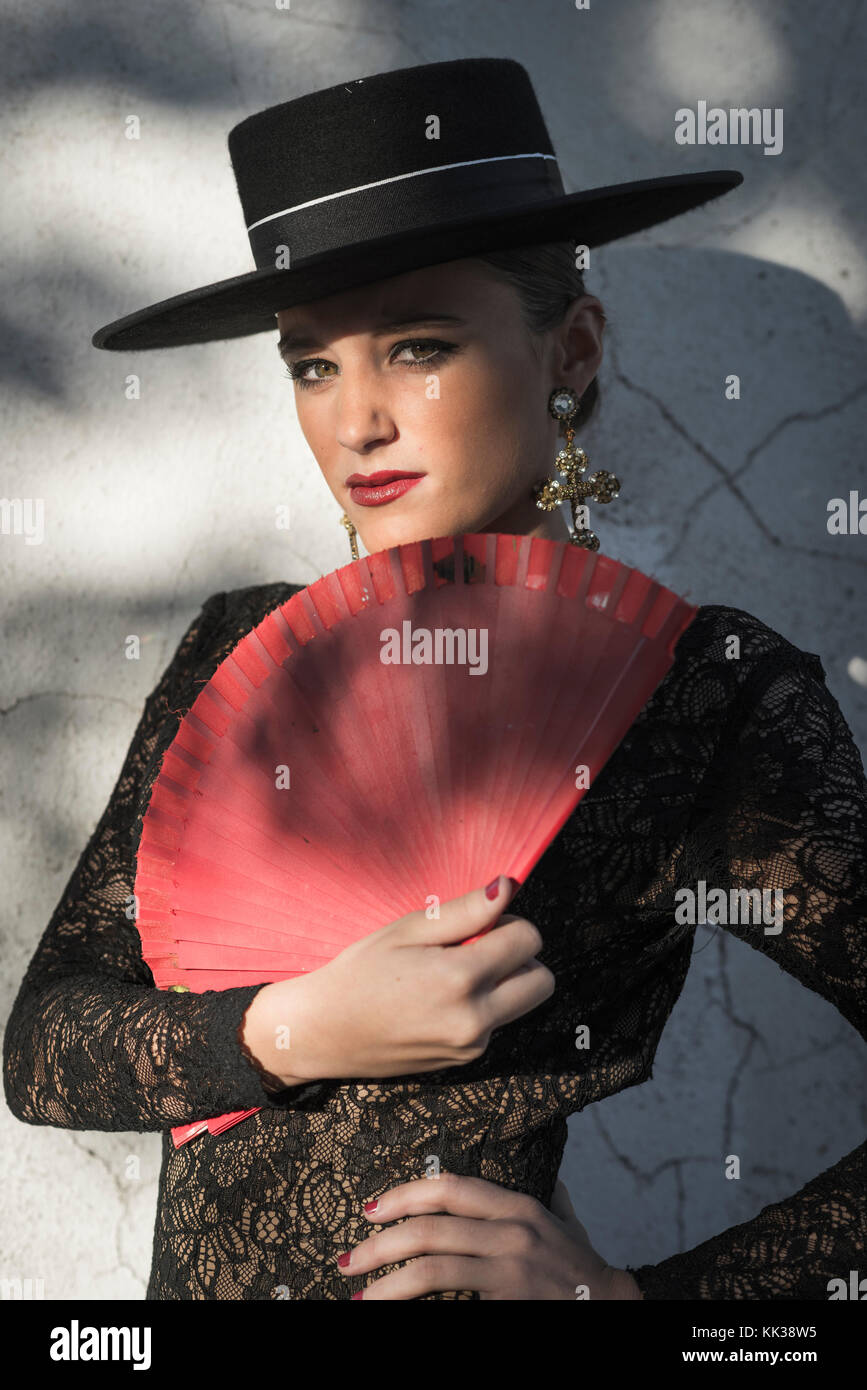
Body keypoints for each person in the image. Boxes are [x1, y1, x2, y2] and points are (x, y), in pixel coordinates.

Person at [4, 58, 865, 1302]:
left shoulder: (701, 694)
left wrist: (632, 1303)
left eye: (418, 346)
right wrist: (293, 1029)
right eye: (312, 364)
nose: (356, 422)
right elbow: (45, 1052)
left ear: (569, 350)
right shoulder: (236, 650)